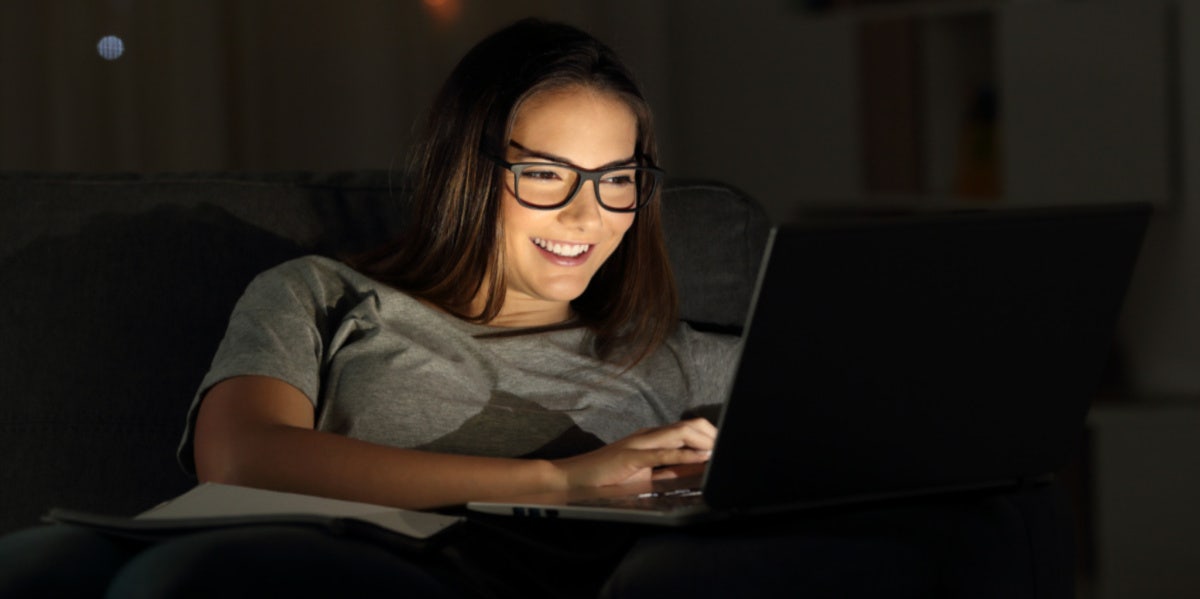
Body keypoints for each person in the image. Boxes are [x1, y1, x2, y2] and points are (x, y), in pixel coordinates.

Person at [0, 17, 740, 598]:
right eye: (546, 175)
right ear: (466, 171)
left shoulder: (687, 359)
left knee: (179, 583)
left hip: (410, 575)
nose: (588, 215)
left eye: (617, 179)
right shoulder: (319, 293)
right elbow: (240, 455)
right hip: (243, 533)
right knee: (37, 563)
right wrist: (564, 479)